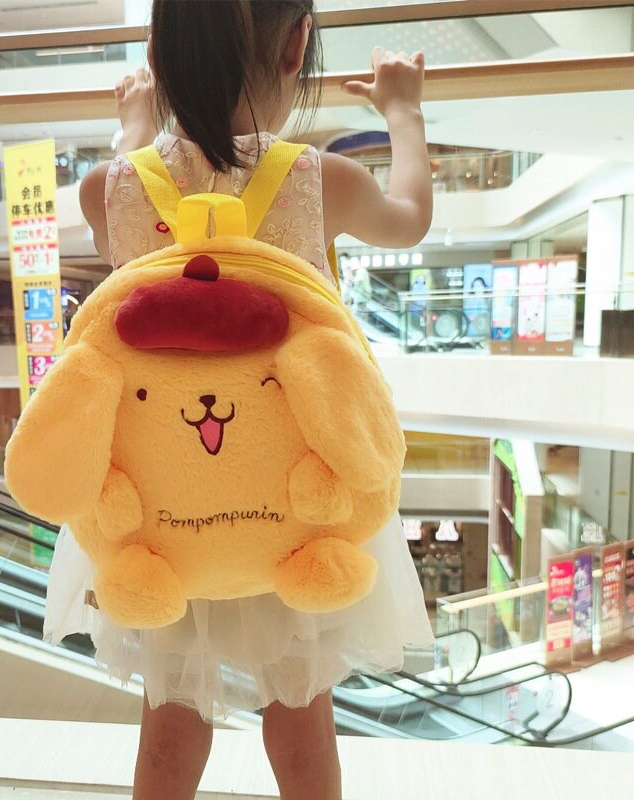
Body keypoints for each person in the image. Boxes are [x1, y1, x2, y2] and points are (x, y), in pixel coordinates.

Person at [49, 2, 434, 798]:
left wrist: (133, 125)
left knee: (169, 723)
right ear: (297, 45)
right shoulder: (320, 181)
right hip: (290, 506)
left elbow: (121, 224)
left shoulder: (105, 191)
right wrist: (403, 111)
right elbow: (409, 220)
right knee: (302, 718)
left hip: (165, 514)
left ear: (157, 54)